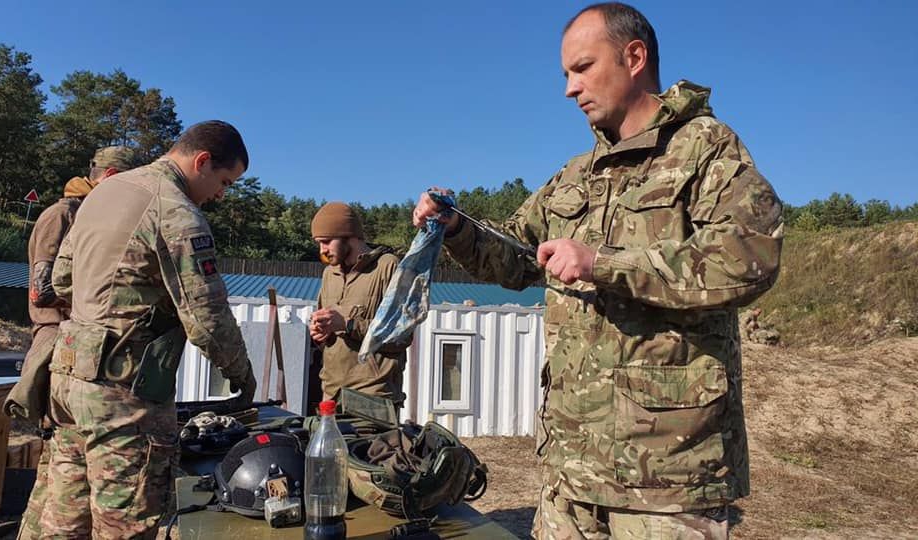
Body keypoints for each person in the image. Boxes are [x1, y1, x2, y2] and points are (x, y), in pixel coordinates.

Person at [412, 3, 783, 538]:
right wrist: (457, 228)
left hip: (667, 478)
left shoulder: (705, 149)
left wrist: (603, 264)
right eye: (566, 74)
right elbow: (519, 258)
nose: (569, 88)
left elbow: (749, 257)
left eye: (582, 68)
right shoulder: (575, 176)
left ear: (634, 58)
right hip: (571, 471)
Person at [34, 121, 257, 538]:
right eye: (224, 182)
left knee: (64, 520)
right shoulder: (177, 212)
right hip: (124, 394)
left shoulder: (104, 194)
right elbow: (207, 318)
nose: (221, 195)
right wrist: (241, 374)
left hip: (67, 380)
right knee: (127, 523)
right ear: (202, 161)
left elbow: (61, 281)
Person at [13, 145, 135, 540]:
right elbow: (41, 291)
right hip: (56, 346)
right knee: (55, 477)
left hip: (79, 351)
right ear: (113, 177)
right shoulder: (61, 215)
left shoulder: (90, 214)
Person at [309, 202, 407, 407]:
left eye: (326, 242)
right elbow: (326, 332)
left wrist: (348, 324)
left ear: (349, 237)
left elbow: (401, 334)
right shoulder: (330, 273)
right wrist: (319, 333)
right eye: (318, 243)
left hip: (373, 399)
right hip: (331, 394)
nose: (322, 250)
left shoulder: (388, 267)